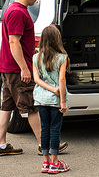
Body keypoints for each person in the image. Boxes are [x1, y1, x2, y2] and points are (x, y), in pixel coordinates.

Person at [0, 0, 67, 156]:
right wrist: (24, 68)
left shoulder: (11, 9)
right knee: (31, 106)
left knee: (6, 106)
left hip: (8, 68)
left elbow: (17, 42)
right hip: (17, 70)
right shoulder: (18, 13)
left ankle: (1, 145)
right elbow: (14, 42)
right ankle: (43, 144)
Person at [33, 25, 70, 173]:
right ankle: (55, 163)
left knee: (44, 129)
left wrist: (48, 88)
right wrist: (61, 100)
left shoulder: (36, 57)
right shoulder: (62, 58)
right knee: (55, 129)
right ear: (57, 39)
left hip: (41, 98)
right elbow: (61, 79)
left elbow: (36, 79)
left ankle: (45, 162)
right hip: (55, 100)